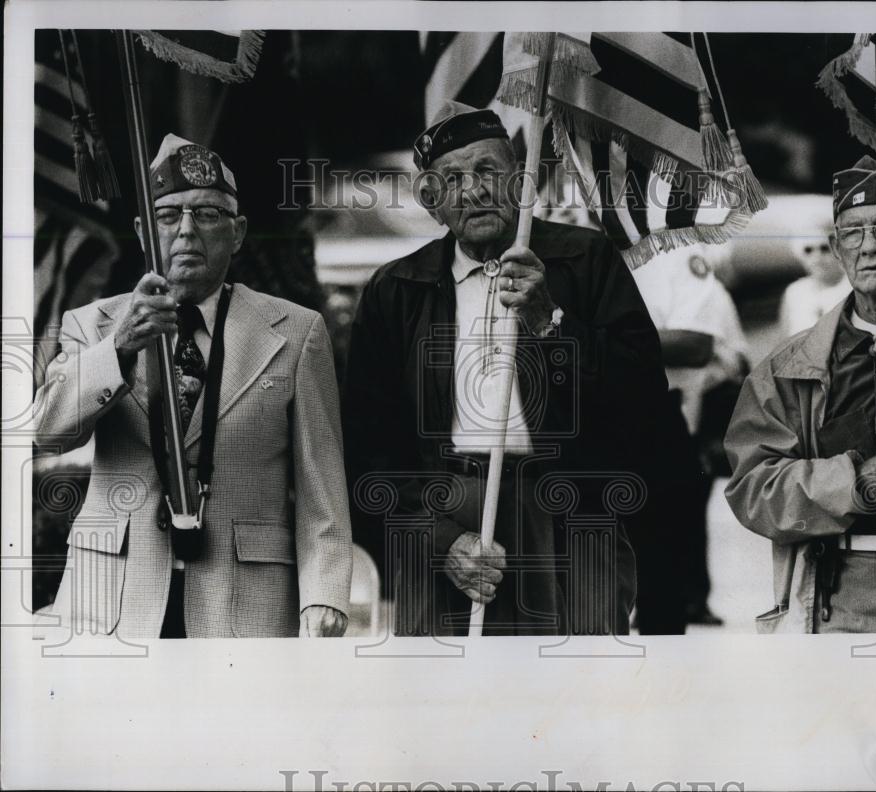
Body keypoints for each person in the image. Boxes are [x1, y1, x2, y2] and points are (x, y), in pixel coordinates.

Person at [344, 101, 666, 636]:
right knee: (451, 707)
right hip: (445, 526)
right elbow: (368, 449)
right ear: (431, 202)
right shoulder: (396, 290)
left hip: (570, 518)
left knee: (574, 702)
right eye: (451, 179)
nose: (473, 190)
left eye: (489, 171)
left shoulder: (583, 261)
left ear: (521, 181)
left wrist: (550, 321)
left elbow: (643, 395)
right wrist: (441, 542)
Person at [35, 134, 353, 639]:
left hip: (245, 605)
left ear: (239, 231)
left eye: (207, 214)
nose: (186, 231)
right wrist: (117, 348)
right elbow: (47, 434)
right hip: (113, 598)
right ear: (143, 230)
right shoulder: (92, 324)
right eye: (169, 216)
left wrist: (324, 594)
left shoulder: (296, 331)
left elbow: (322, 486)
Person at [724, 155, 876, 633]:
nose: (870, 246)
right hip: (838, 596)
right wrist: (853, 482)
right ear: (837, 247)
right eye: (853, 233)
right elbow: (753, 488)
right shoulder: (791, 364)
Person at [632, 243, 750, 628]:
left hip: (694, 414)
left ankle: (693, 598)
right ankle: (678, 597)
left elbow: (731, 356)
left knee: (686, 515)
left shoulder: (714, 296)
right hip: (676, 412)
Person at [778, 225, 851, 337]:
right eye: (808, 250)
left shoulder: (853, 287)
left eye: (824, 248)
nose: (817, 256)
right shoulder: (793, 292)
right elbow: (784, 343)